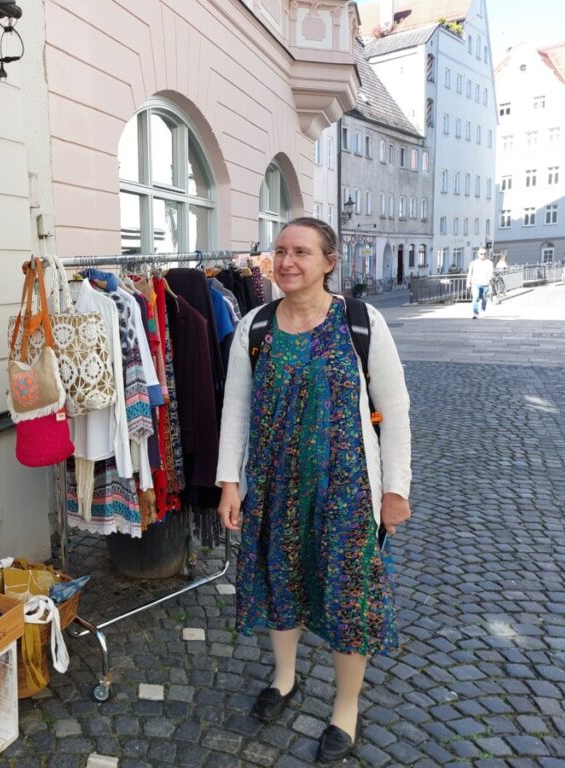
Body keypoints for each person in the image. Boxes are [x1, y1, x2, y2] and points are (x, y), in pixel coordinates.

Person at [217, 217, 412, 764]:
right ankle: (284, 679)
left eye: (301, 251)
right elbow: (236, 407)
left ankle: (345, 708)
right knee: (282, 583)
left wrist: (394, 490)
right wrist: (230, 482)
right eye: (279, 251)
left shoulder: (360, 321)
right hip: (275, 489)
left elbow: (394, 410)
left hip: (348, 489)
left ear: (329, 261)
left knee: (350, 597)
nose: (286, 262)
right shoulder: (254, 327)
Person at [466, 249, 494, 319]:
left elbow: (490, 272)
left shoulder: (489, 263)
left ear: (486, 254)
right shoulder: (473, 263)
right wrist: (468, 283)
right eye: (481, 254)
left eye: (484, 254)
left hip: (485, 284)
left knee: (484, 299)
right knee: (475, 298)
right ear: (478, 254)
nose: (483, 255)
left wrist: (489, 279)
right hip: (475, 283)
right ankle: (475, 313)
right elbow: (469, 273)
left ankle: (483, 309)